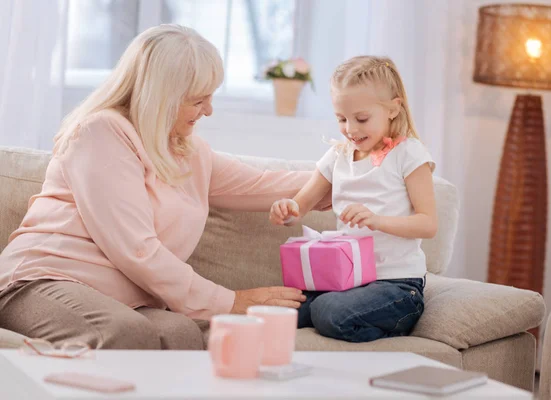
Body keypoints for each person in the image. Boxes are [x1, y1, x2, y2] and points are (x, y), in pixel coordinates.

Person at [0, 24, 329, 350]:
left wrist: (352, 171)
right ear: (162, 96)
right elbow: (137, 249)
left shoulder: (188, 151)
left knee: (182, 334)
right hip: (41, 281)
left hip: (121, 298)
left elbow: (265, 185)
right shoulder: (101, 133)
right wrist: (232, 301)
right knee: (127, 333)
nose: (209, 111)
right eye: (199, 100)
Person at [269, 56, 437, 343]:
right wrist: (287, 209)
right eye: (341, 119)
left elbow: (428, 224)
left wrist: (377, 220)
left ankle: (394, 321)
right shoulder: (338, 155)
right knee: (281, 311)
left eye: (361, 119)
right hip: (346, 281)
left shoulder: (409, 154)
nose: (350, 129)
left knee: (328, 311)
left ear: (393, 108)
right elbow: (300, 206)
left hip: (396, 285)